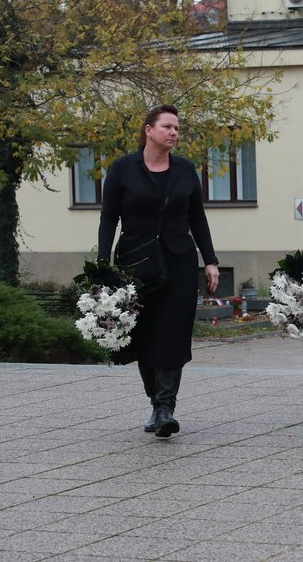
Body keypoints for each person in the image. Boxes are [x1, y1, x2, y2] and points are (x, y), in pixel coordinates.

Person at [97, 104, 220, 438]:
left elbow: (198, 218)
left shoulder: (185, 170)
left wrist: (210, 260)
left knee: (173, 333)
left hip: (179, 262)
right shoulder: (122, 169)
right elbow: (109, 217)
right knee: (146, 334)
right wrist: (103, 263)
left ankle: (166, 407)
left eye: (177, 128)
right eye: (167, 126)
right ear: (148, 130)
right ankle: (156, 401)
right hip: (136, 265)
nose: (174, 133)